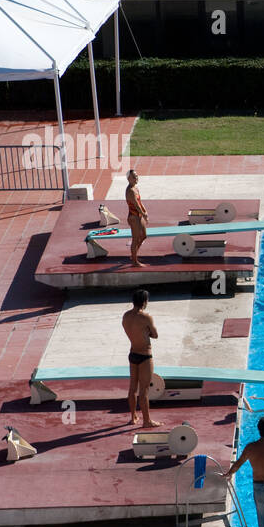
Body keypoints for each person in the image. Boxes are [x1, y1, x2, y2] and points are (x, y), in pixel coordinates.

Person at [122, 288, 161, 428]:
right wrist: (146, 332)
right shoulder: (146, 317)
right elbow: (155, 335)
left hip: (133, 353)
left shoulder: (125, 316)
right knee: (144, 391)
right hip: (145, 355)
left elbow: (129, 331)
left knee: (132, 388)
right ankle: (147, 421)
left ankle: (133, 417)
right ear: (144, 302)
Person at [125, 169, 149, 267]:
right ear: (128, 179)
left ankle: (133, 255)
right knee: (135, 239)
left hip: (139, 215)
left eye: (137, 176)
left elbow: (140, 202)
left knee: (143, 235)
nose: (136, 178)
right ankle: (134, 262)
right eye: (134, 177)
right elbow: (136, 205)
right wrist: (143, 214)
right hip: (134, 217)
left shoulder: (135, 188)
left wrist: (145, 211)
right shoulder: (130, 190)